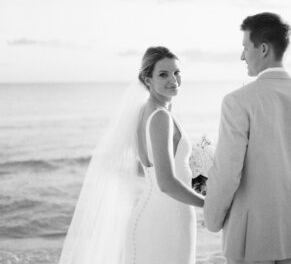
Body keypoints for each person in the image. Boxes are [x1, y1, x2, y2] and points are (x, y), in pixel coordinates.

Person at [204, 12, 291, 264]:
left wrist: (212, 219)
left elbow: (229, 172)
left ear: (263, 49)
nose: (242, 56)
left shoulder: (237, 102)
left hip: (252, 239)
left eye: (245, 47)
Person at [58, 46, 204, 264]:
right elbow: (165, 183)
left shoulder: (145, 113)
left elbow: (146, 170)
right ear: (147, 80)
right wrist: (207, 203)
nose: (173, 79)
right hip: (165, 222)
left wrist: (192, 174)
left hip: (162, 215)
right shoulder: (160, 117)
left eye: (176, 72)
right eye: (163, 74)